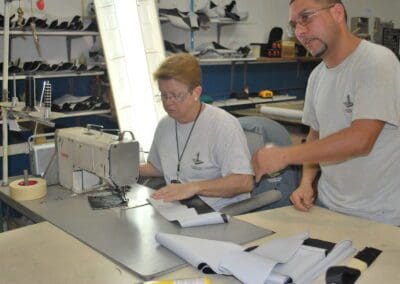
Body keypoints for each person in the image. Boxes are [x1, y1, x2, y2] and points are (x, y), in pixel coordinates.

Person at [252, 0, 400, 225]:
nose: (300, 32)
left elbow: (361, 139)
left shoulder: (377, 61)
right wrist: (306, 182)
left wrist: (284, 155)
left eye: (306, 17)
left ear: (337, 13)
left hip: (378, 215)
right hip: (328, 207)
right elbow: (316, 135)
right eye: (294, 24)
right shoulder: (317, 76)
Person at [139, 53, 254, 211]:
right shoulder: (165, 125)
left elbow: (244, 182)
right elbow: (158, 167)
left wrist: (194, 187)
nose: (168, 102)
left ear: (196, 93)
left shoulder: (223, 125)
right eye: (164, 95)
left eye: (176, 95)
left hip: (220, 212)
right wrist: (122, 166)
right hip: (180, 209)